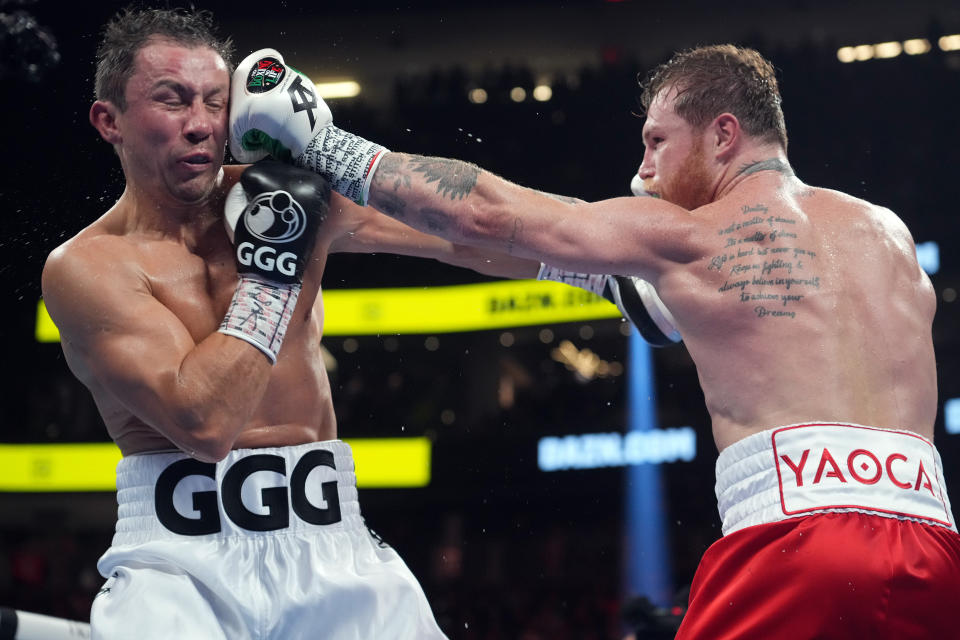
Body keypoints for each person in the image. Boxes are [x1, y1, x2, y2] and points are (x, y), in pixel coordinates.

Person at [232, 43, 960, 637]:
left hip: (798, 547)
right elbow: (565, 266)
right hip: (934, 550)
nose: (643, 168)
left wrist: (323, 144)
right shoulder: (884, 234)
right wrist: (342, 224)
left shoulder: (696, 237)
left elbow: (491, 214)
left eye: (656, 141)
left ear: (723, 134)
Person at [38, 7, 564, 639]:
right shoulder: (85, 267)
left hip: (333, 550)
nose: (200, 125)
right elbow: (203, 423)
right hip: (180, 569)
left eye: (214, 102)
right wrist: (273, 277)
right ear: (109, 121)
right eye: (172, 101)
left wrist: (608, 265)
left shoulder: (280, 192)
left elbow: (461, 233)